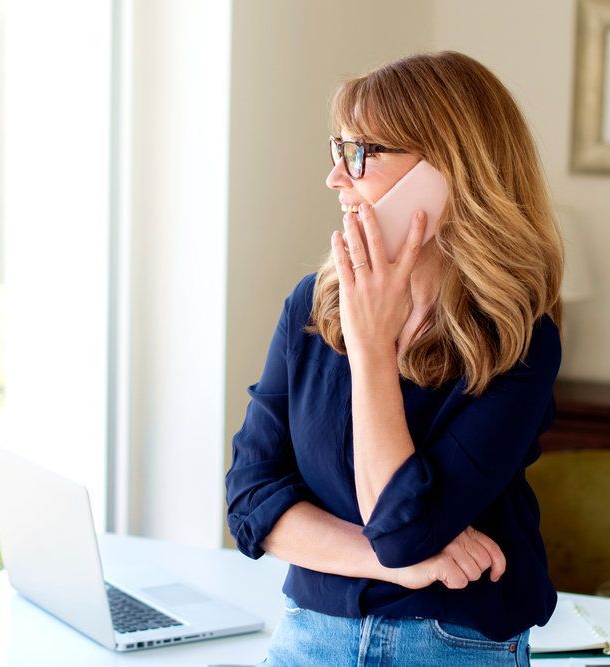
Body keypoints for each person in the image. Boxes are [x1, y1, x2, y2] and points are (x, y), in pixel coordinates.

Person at [224, 50, 565, 666]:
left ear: (449, 170)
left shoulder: (519, 339)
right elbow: (250, 503)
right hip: (310, 636)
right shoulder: (312, 304)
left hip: (452, 644)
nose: (335, 178)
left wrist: (372, 349)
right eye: (337, 150)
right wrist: (400, 564)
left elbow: (405, 527)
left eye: (361, 154)